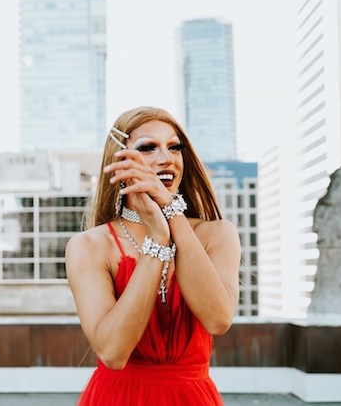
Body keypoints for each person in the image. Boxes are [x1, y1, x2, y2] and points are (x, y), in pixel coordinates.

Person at [65, 106, 241, 405]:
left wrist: (171, 213)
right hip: (117, 398)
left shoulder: (218, 234)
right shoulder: (90, 245)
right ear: (119, 160)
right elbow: (112, 352)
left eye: (174, 147)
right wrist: (157, 239)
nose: (166, 158)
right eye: (148, 148)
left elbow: (217, 321)